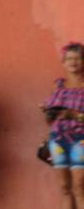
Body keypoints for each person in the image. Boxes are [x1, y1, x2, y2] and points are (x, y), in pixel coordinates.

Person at [43, 41, 84, 209]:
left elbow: (73, 114)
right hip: (58, 139)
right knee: (64, 188)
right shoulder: (59, 86)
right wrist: (49, 114)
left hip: (81, 139)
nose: (73, 62)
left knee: (79, 186)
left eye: (77, 58)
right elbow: (49, 120)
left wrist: (72, 114)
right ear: (63, 62)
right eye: (68, 59)